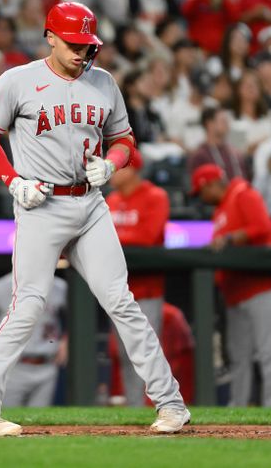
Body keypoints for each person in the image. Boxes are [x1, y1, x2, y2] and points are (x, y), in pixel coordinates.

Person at [0, 2, 188, 436]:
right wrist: (12, 180)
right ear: (50, 36)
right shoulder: (18, 80)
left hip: (89, 203)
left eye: (88, 45)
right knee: (28, 306)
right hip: (39, 203)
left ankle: (171, 404)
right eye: (74, 44)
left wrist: (112, 163)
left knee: (121, 301)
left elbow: (124, 139)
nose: (82, 53)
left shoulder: (103, 82)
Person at [190, 164, 271, 407]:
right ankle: (238, 407)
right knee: (238, 357)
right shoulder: (220, 211)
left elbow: (262, 228)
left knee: (268, 354)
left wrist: (231, 238)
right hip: (236, 294)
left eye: (201, 192)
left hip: (263, 288)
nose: (201, 198)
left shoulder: (243, 192)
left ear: (211, 184)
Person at [105, 150, 170, 406]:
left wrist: (113, 240)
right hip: (118, 290)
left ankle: (161, 406)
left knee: (147, 352)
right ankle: (134, 410)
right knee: (123, 353)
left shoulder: (155, 196)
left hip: (148, 289)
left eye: (115, 167)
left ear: (131, 169)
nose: (109, 172)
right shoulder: (111, 200)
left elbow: (148, 236)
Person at [0, 271, 67, 407]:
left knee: (40, 422)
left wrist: (66, 340)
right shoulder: (2, 286)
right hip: (14, 366)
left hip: (47, 364)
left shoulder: (59, 286)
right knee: (7, 418)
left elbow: (77, 313)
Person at [186, 107, 249, 180]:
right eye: (223, 121)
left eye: (227, 121)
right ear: (209, 124)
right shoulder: (200, 156)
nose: (227, 124)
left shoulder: (235, 153)